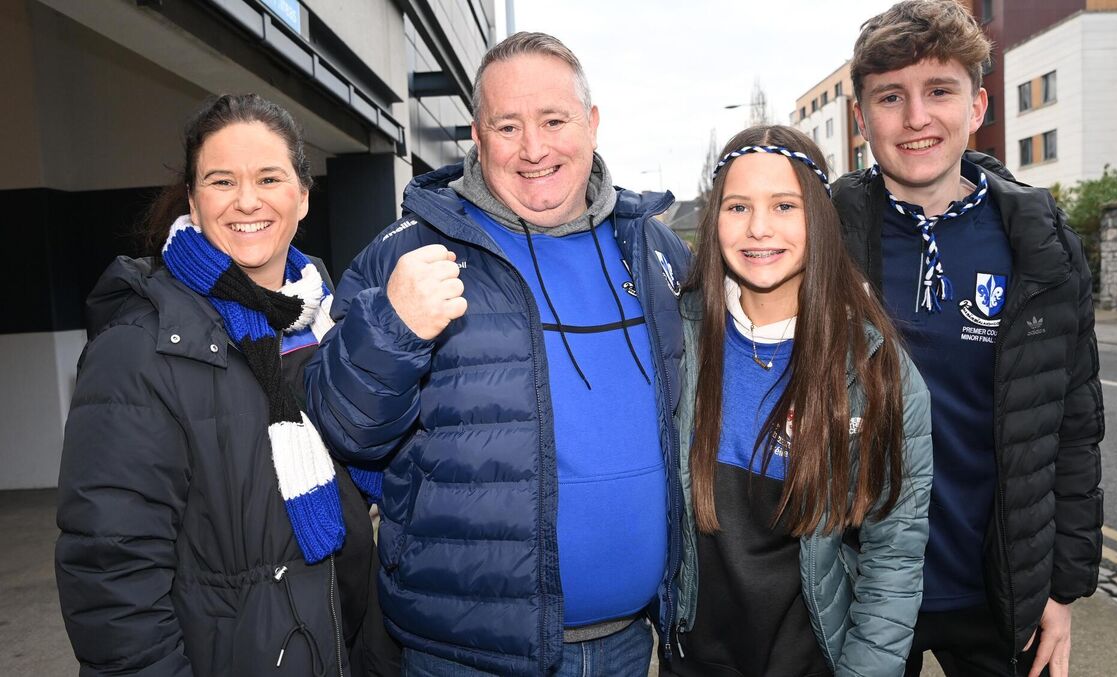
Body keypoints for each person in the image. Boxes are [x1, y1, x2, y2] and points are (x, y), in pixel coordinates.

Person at [304, 32, 691, 676]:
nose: (534, 149)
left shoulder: (650, 249)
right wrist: (394, 329)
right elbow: (346, 430)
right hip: (469, 655)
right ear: (477, 140)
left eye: (554, 121)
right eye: (508, 126)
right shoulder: (411, 250)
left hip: (628, 645)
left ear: (591, 125)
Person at [55, 94, 400, 676]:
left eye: (269, 177)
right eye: (221, 181)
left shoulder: (331, 324)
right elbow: (111, 578)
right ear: (193, 199)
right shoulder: (140, 349)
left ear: (303, 196)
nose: (247, 200)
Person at [832, 2, 1105, 676]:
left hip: (997, 587)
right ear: (864, 120)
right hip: (862, 589)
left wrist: (1061, 587)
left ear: (978, 105)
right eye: (891, 97)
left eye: (940, 91)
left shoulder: (1039, 242)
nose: (917, 117)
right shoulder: (824, 235)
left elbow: (1071, 425)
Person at [663, 125, 933, 677]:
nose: (759, 228)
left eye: (784, 205)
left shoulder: (875, 367)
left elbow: (894, 555)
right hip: (694, 662)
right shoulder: (673, 343)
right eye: (738, 206)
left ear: (820, 219)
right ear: (714, 220)